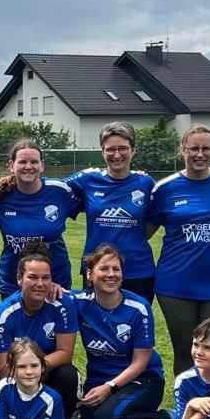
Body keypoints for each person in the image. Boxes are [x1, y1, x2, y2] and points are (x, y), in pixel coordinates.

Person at [148, 125, 210, 377]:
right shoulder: (165, 188)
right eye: (194, 149)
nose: (200, 154)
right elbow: (144, 232)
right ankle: (186, 401)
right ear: (183, 150)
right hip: (176, 282)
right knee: (186, 351)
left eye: (206, 149)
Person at [70, 244, 172, 419]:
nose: (111, 274)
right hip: (98, 381)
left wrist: (109, 387)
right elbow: (52, 294)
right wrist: (51, 288)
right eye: (104, 269)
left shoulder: (138, 308)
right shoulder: (79, 302)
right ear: (89, 274)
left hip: (142, 380)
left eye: (116, 269)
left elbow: (140, 362)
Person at [65, 122, 159, 298]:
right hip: (97, 269)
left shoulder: (146, 183)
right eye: (110, 149)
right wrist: (12, 181)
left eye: (122, 148)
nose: (117, 155)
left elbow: (156, 219)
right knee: (94, 316)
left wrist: (133, 237)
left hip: (138, 270)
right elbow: (49, 189)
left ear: (133, 150)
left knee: (136, 315)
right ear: (102, 151)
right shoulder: (87, 180)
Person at [0, 140, 81, 298]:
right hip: (13, 283)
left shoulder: (59, 191)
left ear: (42, 166)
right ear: (11, 165)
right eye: (22, 162)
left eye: (34, 162)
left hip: (55, 282)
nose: (28, 166)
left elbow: (93, 204)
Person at [0, 252, 80, 419]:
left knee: (67, 375)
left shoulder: (62, 304)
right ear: (19, 279)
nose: (40, 284)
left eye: (45, 278)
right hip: (13, 373)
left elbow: (65, 353)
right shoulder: (3, 313)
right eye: (33, 277)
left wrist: (34, 367)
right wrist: (28, 370)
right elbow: (4, 368)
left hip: (47, 370)